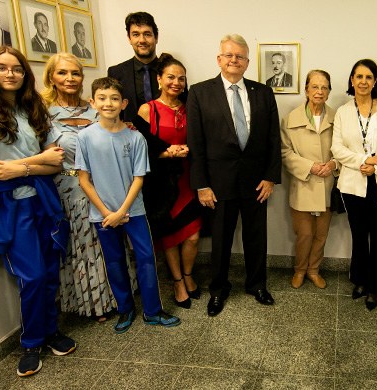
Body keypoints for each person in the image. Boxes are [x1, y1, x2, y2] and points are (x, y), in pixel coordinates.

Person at [0, 46, 76, 377]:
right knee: (32, 275)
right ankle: (32, 341)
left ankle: (50, 331)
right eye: (3, 68)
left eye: (17, 68)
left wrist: (18, 168)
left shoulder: (33, 108)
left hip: (42, 198)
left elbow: (56, 161)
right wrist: (34, 163)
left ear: (25, 74)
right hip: (7, 206)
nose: (11, 74)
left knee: (50, 270)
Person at [75, 77, 181, 334]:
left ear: (123, 103)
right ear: (92, 102)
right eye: (102, 98)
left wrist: (122, 211)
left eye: (114, 99)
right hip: (102, 215)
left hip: (133, 211)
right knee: (114, 261)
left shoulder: (135, 139)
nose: (108, 103)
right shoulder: (86, 137)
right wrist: (106, 212)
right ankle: (125, 309)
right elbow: (84, 179)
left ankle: (153, 311)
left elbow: (138, 178)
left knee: (145, 259)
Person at [187, 34, 281, 317]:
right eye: (228, 55)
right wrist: (201, 184)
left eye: (239, 56)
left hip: (256, 182)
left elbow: (273, 139)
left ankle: (256, 285)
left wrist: (270, 177)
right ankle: (218, 289)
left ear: (247, 62)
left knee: (256, 238)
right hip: (218, 183)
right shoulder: (200, 92)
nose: (234, 60)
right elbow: (196, 143)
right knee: (221, 240)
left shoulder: (262, 93)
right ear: (219, 59)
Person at [41, 53, 136, 321]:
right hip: (70, 188)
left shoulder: (96, 108)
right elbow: (50, 156)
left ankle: (120, 298)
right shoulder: (43, 114)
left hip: (106, 185)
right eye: (62, 73)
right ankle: (93, 303)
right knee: (83, 245)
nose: (70, 79)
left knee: (110, 242)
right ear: (51, 78)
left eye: (75, 73)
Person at [331, 59, 377, 311]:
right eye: (358, 76)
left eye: (368, 77)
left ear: (375, 82)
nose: (363, 81)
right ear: (352, 80)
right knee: (359, 235)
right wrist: (364, 160)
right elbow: (337, 149)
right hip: (353, 184)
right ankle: (360, 280)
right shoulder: (342, 111)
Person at [136, 53, 202, 309]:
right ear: (159, 79)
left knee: (193, 236)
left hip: (188, 178)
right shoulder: (148, 109)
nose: (176, 82)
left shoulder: (191, 106)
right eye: (171, 77)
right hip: (162, 182)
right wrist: (167, 152)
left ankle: (188, 274)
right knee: (170, 236)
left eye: (181, 79)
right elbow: (139, 147)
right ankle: (177, 281)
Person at [281, 69, 337, 289]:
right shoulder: (290, 119)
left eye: (324, 87)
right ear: (306, 89)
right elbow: (285, 152)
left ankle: (314, 270)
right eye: (315, 86)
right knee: (304, 234)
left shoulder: (337, 117)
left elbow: (345, 148)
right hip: (303, 184)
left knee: (321, 234)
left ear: (329, 91)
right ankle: (300, 270)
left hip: (328, 184)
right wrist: (310, 166)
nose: (319, 91)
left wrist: (333, 164)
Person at [107, 12, 159, 123]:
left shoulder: (173, 72)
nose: (142, 40)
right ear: (129, 38)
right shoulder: (115, 73)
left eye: (147, 34)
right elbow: (113, 113)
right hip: (129, 137)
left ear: (156, 37)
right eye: (136, 34)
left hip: (167, 138)